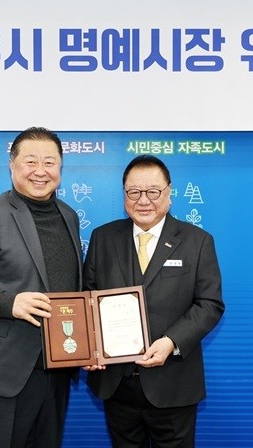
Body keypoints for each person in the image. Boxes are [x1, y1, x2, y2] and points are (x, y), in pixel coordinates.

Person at [0, 126, 82, 448]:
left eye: (49, 162)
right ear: (12, 165)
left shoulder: (69, 215)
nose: (40, 171)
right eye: (30, 161)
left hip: (59, 362)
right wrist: (10, 302)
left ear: (61, 167)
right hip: (6, 368)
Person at [83, 154, 224, 448]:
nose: (143, 200)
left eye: (153, 191)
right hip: (116, 384)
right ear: (124, 194)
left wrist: (171, 342)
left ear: (169, 193)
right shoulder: (103, 238)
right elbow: (88, 300)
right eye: (134, 192)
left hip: (173, 383)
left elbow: (209, 304)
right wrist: (90, 348)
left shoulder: (197, 241)